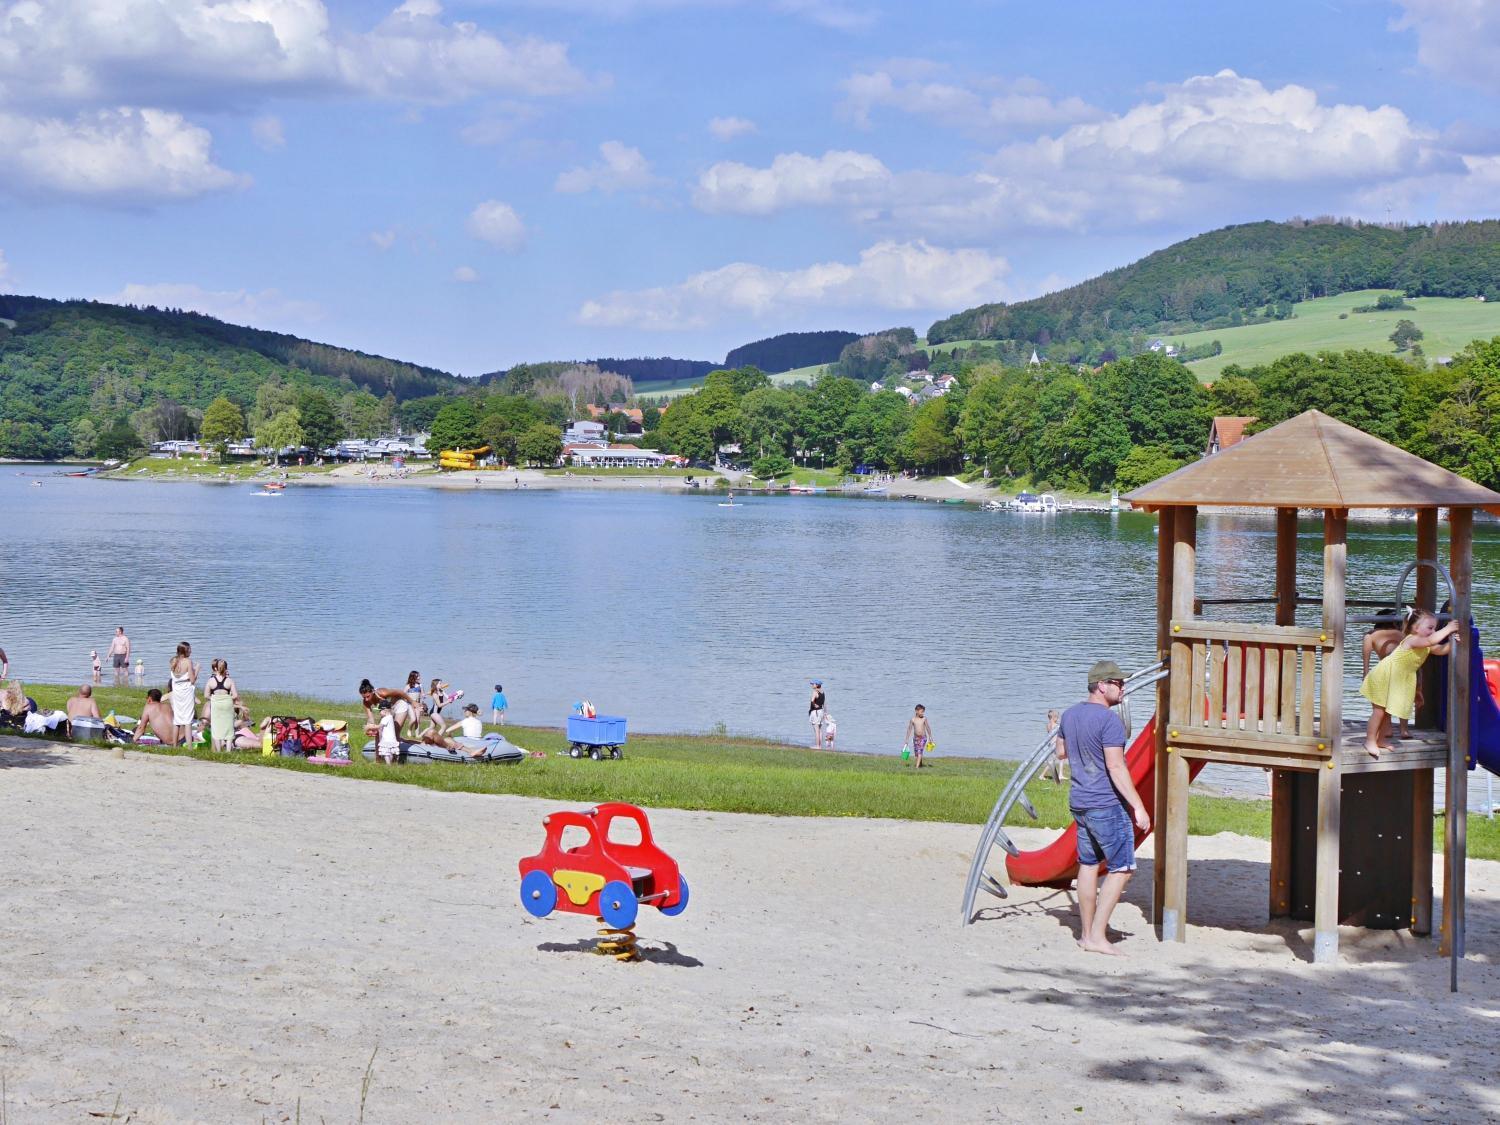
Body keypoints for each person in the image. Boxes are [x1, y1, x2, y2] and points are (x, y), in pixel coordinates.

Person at [1055, 659, 1150, 956]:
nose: (1122, 688)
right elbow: (1116, 766)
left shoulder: (1070, 715)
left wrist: (1085, 747)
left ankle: (1086, 934)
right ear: (1101, 686)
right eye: (1117, 683)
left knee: (1088, 865)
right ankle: (1097, 935)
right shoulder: (1110, 721)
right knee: (1122, 868)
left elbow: (1060, 752)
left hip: (1080, 802)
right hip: (1105, 804)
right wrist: (1139, 806)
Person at [1361, 609, 1459, 757]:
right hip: (1384, 676)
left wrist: (1453, 643)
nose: (1433, 631)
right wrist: (1448, 628)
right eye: (1430, 628)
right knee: (1379, 711)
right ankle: (1370, 740)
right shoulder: (1412, 639)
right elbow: (1431, 641)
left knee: (1388, 711)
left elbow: (1439, 649)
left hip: (1397, 680)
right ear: (1415, 628)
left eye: (1435, 628)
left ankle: (1380, 739)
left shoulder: (1425, 642)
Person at [204, 658, 242, 752]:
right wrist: (227, 698)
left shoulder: (211, 681)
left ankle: (218, 751)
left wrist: (215, 698)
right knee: (229, 727)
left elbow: (206, 695)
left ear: (216, 668)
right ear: (226, 668)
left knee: (216, 727)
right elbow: (235, 695)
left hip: (216, 705)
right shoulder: (229, 681)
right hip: (227, 705)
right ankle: (228, 751)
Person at [168, 641, 199, 747]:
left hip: (176, 692)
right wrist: (197, 670)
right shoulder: (188, 662)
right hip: (186, 692)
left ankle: (174, 745)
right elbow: (192, 680)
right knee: (188, 720)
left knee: (177, 719)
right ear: (185, 651)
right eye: (189, 649)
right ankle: (189, 747)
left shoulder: (173, 661)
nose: (191, 651)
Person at [904, 704, 933, 768]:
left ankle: (916, 768)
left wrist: (930, 736)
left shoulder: (924, 719)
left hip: (923, 738)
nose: (923, 713)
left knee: (920, 751)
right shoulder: (913, 720)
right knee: (917, 753)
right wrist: (907, 739)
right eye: (921, 711)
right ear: (916, 711)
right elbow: (909, 729)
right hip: (916, 738)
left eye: (923, 712)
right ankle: (920, 765)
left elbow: (928, 727)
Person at [808, 680, 826, 749]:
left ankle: (817, 746)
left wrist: (814, 705)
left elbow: (812, 701)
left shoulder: (815, 692)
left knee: (816, 730)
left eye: (813, 684)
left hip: (816, 712)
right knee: (820, 729)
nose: (812, 685)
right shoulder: (823, 692)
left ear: (817, 685)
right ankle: (820, 745)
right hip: (821, 711)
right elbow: (824, 703)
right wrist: (825, 712)